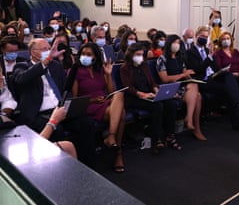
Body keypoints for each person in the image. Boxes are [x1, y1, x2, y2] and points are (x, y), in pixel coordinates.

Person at [9, 38, 96, 167]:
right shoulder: (21, 66)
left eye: (49, 49)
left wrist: (69, 104)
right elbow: (22, 79)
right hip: (38, 113)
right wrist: (45, 62)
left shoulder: (55, 66)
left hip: (59, 108)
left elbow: (65, 89)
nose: (48, 52)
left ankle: (86, 166)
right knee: (57, 130)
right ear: (33, 52)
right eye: (44, 49)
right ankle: (60, 168)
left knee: (86, 123)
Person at [68, 42, 126, 173]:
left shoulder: (100, 69)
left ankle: (111, 137)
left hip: (104, 102)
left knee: (118, 94)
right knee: (121, 113)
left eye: (89, 54)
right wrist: (93, 99)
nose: (85, 56)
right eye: (83, 54)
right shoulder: (75, 71)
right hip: (89, 105)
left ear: (95, 57)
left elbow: (110, 90)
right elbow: (76, 98)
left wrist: (108, 74)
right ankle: (118, 152)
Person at [185, 26, 239, 133]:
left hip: (212, 77)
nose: (204, 38)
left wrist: (221, 70)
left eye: (206, 37)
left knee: (228, 76)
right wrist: (209, 58)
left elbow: (215, 67)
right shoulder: (190, 52)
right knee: (228, 88)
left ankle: (238, 116)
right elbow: (197, 70)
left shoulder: (207, 50)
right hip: (202, 81)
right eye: (202, 36)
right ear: (196, 37)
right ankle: (238, 108)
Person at [120, 43, 182, 153]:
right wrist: (143, 94)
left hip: (149, 94)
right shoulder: (125, 68)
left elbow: (152, 82)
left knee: (170, 103)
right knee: (157, 106)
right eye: (137, 54)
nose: (140, 57)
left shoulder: (144, 65)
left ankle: (169, 134)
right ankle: (156, 138)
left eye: (142, 54)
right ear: (131, 55)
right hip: (134, 97)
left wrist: (158, 92)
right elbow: (128, 88)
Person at [156, 34, 206, 141]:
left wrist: (189, 75)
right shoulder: (162, 58)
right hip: (170, 88)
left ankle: (190, 120)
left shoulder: (180, 58)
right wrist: (183, 75)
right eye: (175, 43)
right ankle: (194, 126)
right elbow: (165, 79)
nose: (177, 45)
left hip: (181, 86)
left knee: (196, 89)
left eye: (179, 43)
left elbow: (185, 73)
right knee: (197, 96)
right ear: (169, 44)